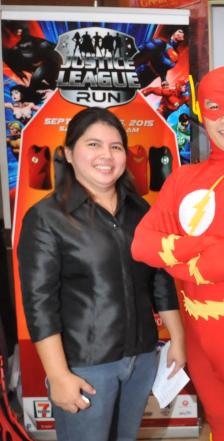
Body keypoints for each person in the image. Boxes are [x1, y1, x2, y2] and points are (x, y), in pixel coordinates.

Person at [131, 66, 224, 441]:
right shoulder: (183, 178)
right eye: (215, 107)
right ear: (200, 109)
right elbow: (139, 244)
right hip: (198, 336)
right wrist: (206, 246)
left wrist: (174, 256)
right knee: (222, 430)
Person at [17, 107, 186, 441]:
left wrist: (178, 338)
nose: (106, 155)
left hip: (141, 359)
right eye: (93, 145)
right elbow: (39, 304)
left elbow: (160, 279)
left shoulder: (141, 210)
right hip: (85, 366)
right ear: (68, 153)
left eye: (115, 146)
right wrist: (58, 375)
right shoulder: (47, 217)